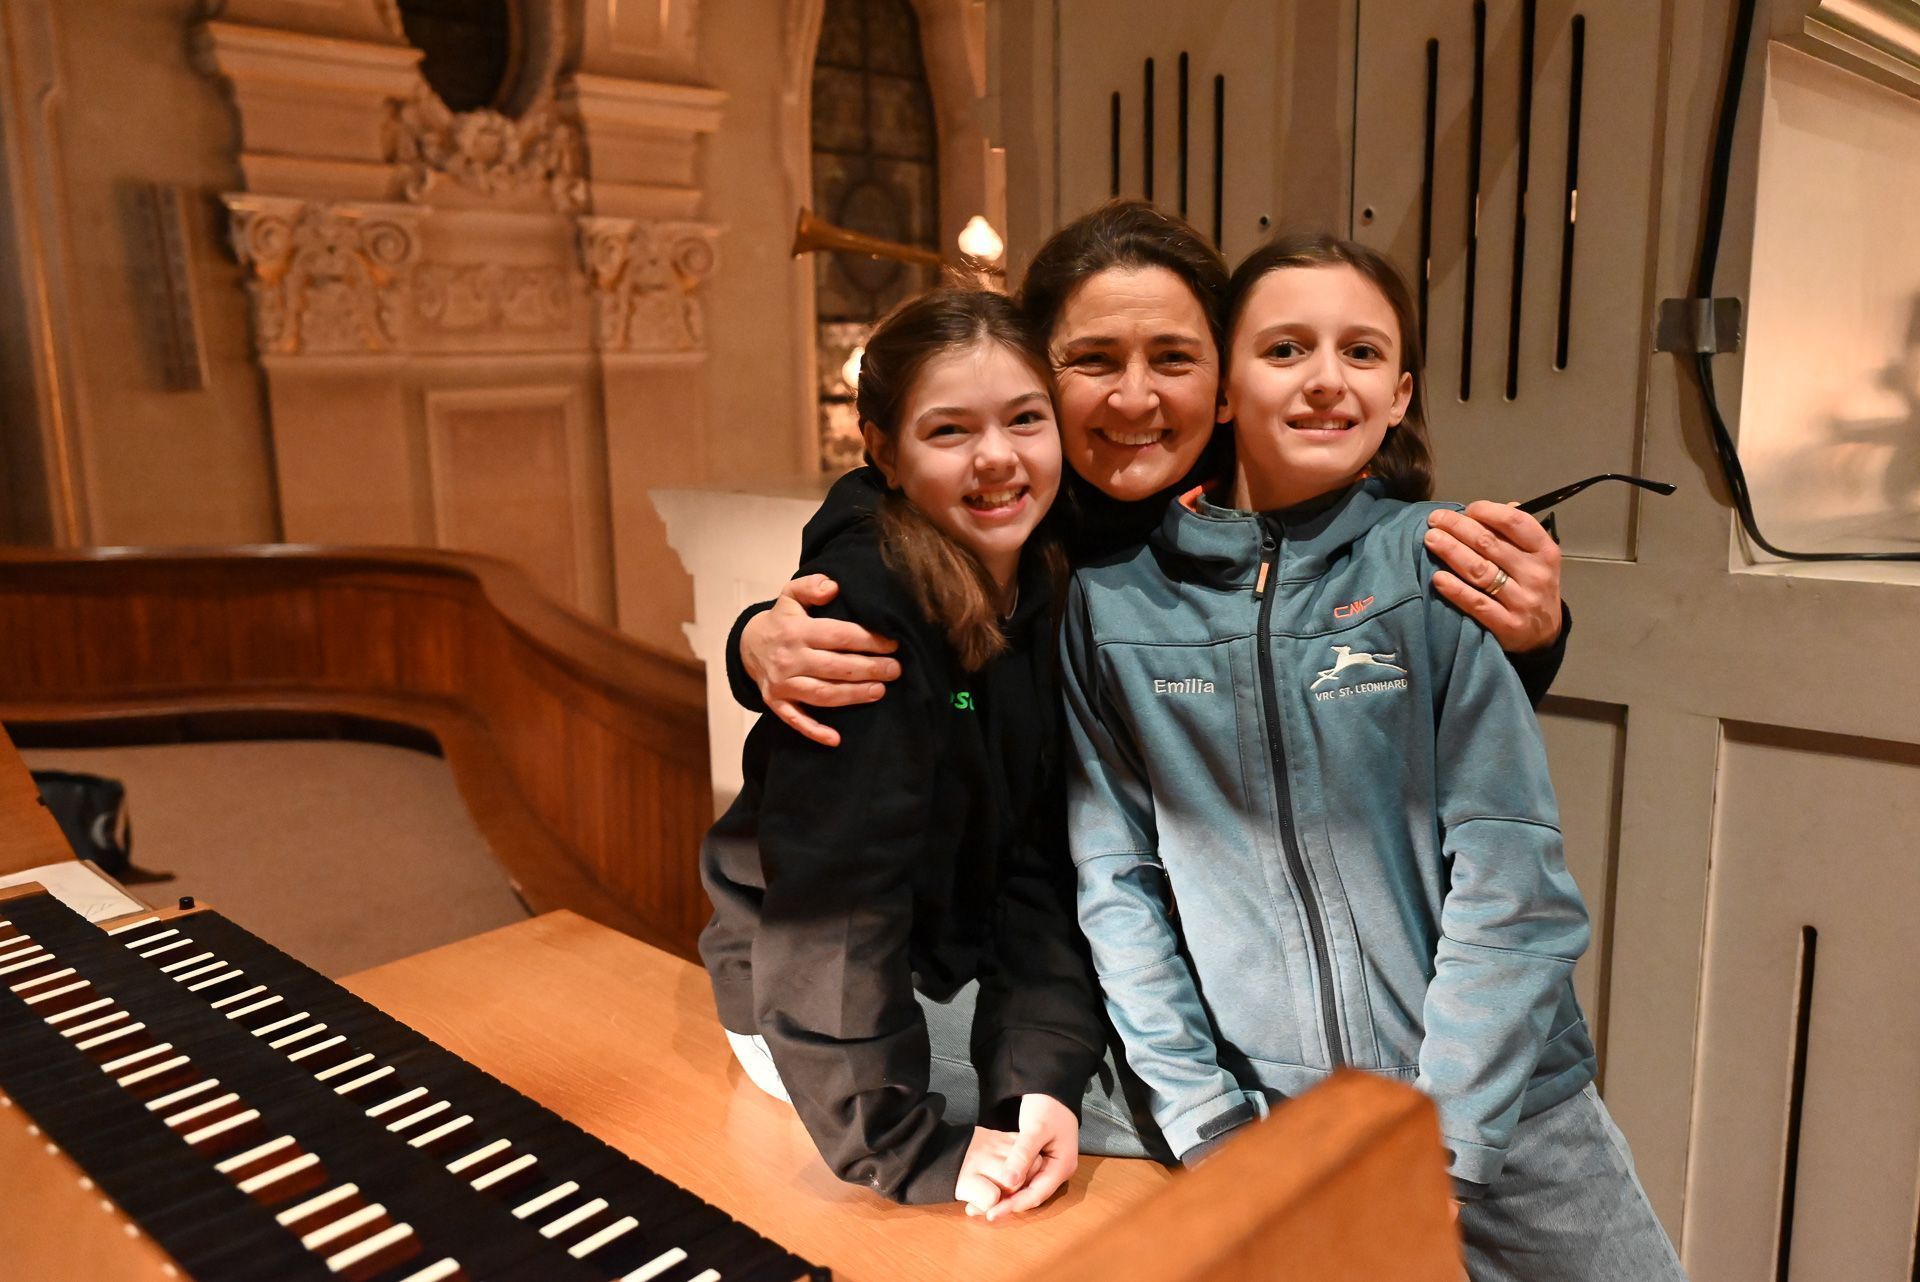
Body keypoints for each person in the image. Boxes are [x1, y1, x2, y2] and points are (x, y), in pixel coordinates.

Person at [1059, 233, 1683, 1280]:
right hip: (1271, 1119)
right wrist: (1207, 1120)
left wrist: (1437, 1147)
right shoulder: (1111, 605)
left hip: (1510, 1117)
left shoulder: (1439, 560)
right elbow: (1116, 886)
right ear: (1222, 389)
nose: (1324, 379)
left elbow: (1513, 887)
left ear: (1399, 395)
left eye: (1360, 353)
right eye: (1287, 346)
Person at [731, 201, 1569, 747]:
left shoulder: (1259, 509)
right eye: (1093, 359)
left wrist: (1534, 633)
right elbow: (870, 519)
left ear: (1225, 378)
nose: (1135, 400)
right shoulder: (1000, 508)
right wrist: (754, 641)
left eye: (1173, 358)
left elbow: (1411, 715)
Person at [698, 287, 1133, 1218]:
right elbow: (833, 917)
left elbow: (1034, 863)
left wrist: (1030, 1077)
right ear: (882, 450)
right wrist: (906, 1147)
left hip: (945, 955)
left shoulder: (1042, 575)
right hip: (817, 1009)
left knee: (1106, 1073)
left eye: (1026, 419)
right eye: (949, 431)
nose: (998, 458)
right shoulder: (866, 619)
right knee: (1165, 1106)